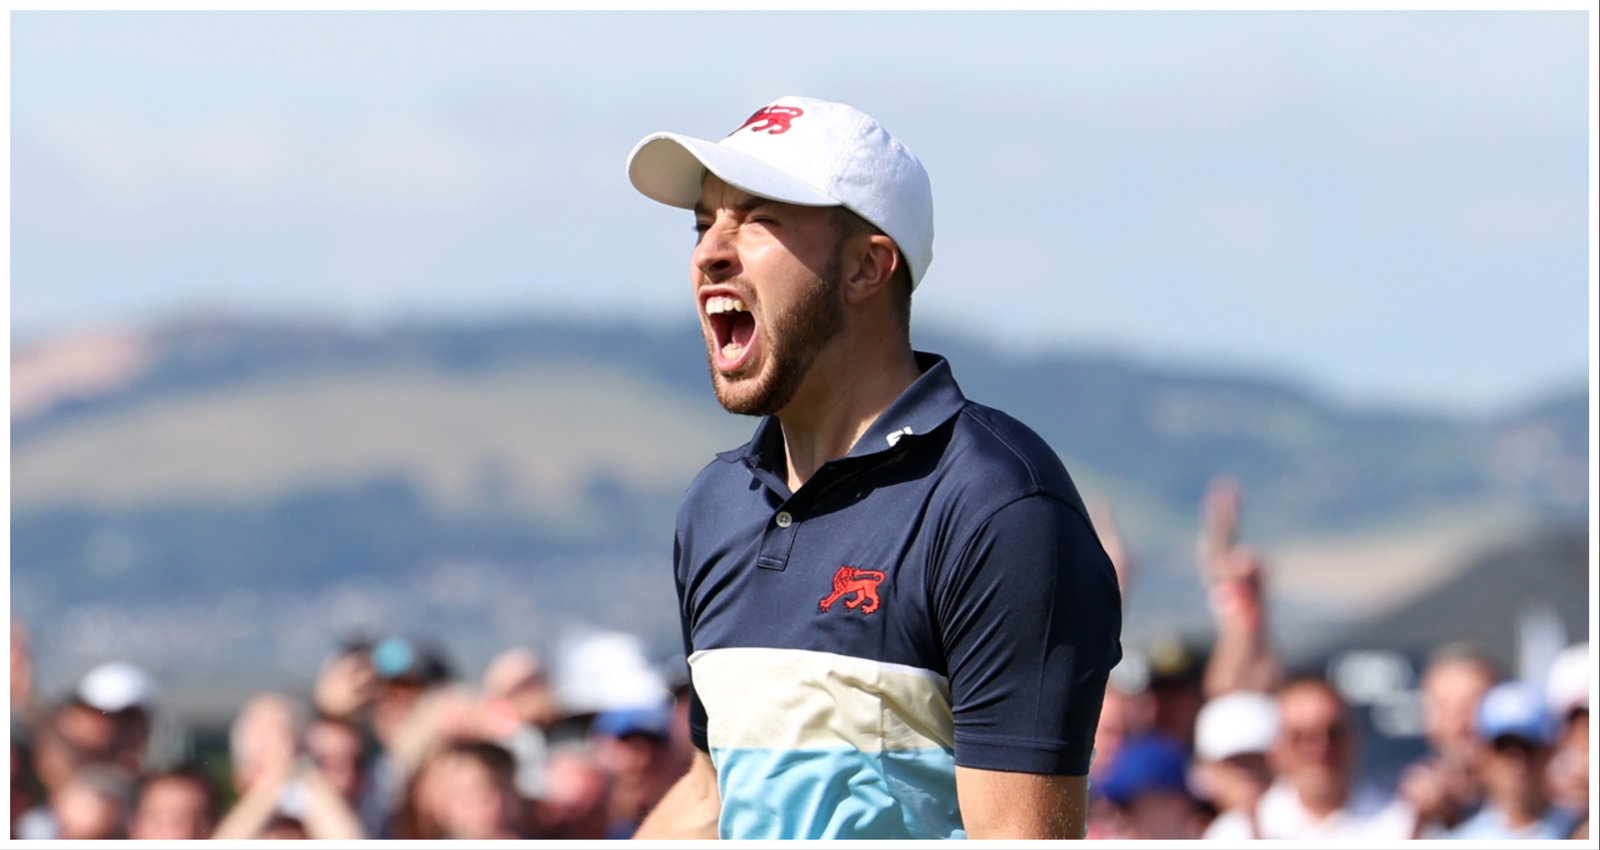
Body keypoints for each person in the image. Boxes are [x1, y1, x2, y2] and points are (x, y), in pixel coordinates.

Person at [624, 95, 1123, 839]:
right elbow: (712, 795)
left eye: (759, 219)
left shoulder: (998, 508)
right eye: (704, 224)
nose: (709, 253)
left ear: (867, 267)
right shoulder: (717, 503)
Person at [1204, 674, 1413, 840]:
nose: (1321, 749)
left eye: (1334, 734)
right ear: (1278, 746)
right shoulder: (1236, 834)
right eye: (1302, 738)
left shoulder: (1403, 822)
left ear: (1354, 738)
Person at [1448, 680, 1581, 839]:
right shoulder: (1462, 840)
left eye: (1529, 748)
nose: (1518, 764)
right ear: (1482, 754)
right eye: (1503, 748)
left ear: (1549, 752)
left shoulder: (1581, 830)